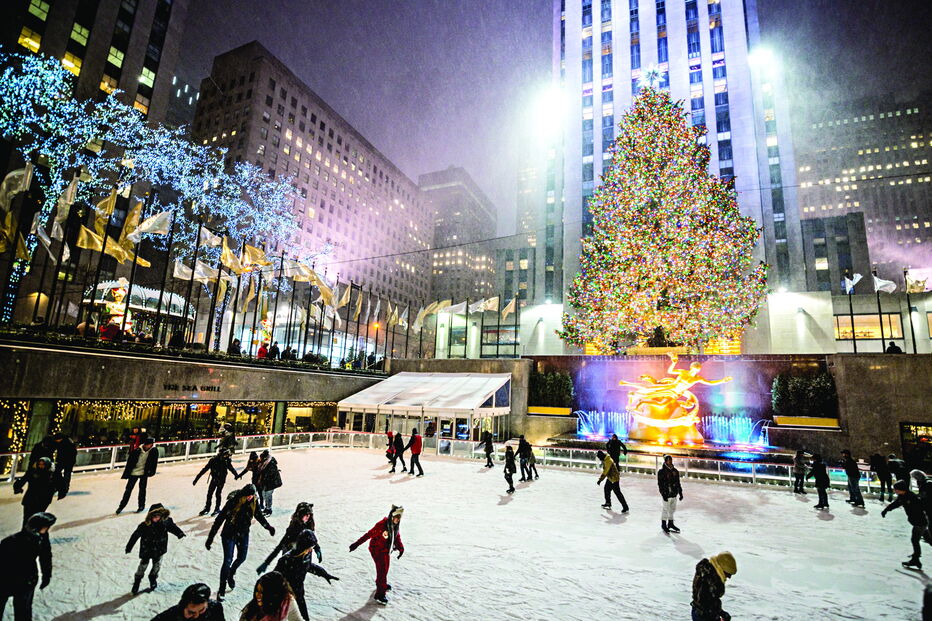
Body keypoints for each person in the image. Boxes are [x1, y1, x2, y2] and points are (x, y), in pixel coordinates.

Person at [206, 484, 275, 599]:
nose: (250, 498)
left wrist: (268, 527)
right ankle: (222, 588)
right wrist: (210, 537)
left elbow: (258, 515)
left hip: (243, 534)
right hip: (229, 534)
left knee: (242, 557)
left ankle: (231, 573)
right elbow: (220, 519)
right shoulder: (233, 501)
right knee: (227, 560)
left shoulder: (254, 501)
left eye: (252, 495)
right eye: (248, 495)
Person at [0, 512, 56, 621]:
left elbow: (45, 557)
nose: (47, 530)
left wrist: (47, 575)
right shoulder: (10, 542)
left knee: (23, 612)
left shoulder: (42, 538)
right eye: (45, 527)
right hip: (7, 580)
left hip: (26, 582)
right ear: (36, 528)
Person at [273, 530, 339, 621]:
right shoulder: (286, 560)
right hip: (285, 595)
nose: (311, 549)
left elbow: (307, 566)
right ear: (303, 546)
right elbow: (274, 578)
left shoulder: (307, 553)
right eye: (310, 547)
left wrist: (324, 573)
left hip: (299, 593)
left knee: (304, 618)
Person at [349, 505, 405, 605]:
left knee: (385, 569)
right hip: (377, 550)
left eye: (399, 517)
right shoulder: (382, 525)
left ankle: (381, 584)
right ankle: (379, 595)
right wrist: (356, 544)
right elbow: (368, 534)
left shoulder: (395, 526)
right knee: (382, 571)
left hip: (385, 550)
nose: (397, 519)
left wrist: (401, 548)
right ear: (391, 516)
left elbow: (397, 538)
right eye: (396, 517)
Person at [125, 503, 186, 594]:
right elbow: (135, 535)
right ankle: (137, 581)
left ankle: (152, 578)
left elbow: (173, 527)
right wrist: (129, 547)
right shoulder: (144, 525)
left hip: (159, 549)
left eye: (158, 516)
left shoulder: (166, 522)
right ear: (150, 516)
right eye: (154, 516)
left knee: (157, 566)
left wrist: (179, 533)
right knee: (143, 566)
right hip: (147, 549)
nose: (156, 518)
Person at [883, 480, 932, 569]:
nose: (895, 491)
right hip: (918, 522)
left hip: (920, 523)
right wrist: (886, 510)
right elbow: (896, 503)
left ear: (901, 489)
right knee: (928, 538)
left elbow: (921, 508)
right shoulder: (902, 496)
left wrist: (918, 521)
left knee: (914, 540)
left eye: (896, 489)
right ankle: (916, 557)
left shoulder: (912, 497)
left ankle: (915, 560)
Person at [258, 503, 318, 574]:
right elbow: (281, 545)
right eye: (306, 514)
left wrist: (317, 548)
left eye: (309, 514)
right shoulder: (294, 528)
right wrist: (267, 562)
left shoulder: (309, 524)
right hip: (291, 555)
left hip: (303, 556)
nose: (308, 517)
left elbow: (311, 539)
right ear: (300, 514)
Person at [117, 437, 159, 514]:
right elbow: (129, 463)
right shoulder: (137, 451)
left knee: (142, 490)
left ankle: (141, 506)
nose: (149, 446)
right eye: (148, 445)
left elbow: (154, 463)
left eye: (150, 445)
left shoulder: (154, 451)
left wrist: (151, 472)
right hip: (134, 472)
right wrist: (127, 473)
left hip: (144, 473)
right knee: (128, 490)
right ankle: (121, 506)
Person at [29, 433, 77, 499]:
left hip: (68, 461)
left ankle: (64, 488)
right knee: (56, 472)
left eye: (57, 440)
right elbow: (52, 449)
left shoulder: (69, 443)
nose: (56, 442)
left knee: (67, 474)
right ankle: (57, 486)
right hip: (61, 461)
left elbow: (73, 452)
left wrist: (71, 461)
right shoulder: (57, 442)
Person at [691, 552, 737, 621]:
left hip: (696, 611)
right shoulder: (713, 581)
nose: (729, 577)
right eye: (728, 574)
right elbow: (707, 604)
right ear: (721, 569)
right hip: (704, 616)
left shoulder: (705, 573)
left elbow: (708, 601)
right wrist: (720, 614)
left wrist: (720, 613)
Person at [13, 458, 57, 528]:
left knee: (37, 518)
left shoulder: (51, 475)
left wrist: (52, 492)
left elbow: (56, 485)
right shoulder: (32, 472)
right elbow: (23, 480)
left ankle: (35, 534)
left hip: (43, 500)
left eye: (43, 465)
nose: (41, 466)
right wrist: (17, 487)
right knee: (27, 518)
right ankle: (25, 534)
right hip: (30, 499)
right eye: (39, 464)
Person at [194, 449, 239, 516]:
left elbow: (231, 468)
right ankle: (207, 508)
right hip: (214, 479)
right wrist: (197, 478)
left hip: (221, 480)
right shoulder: (213, 460)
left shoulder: (226, 461)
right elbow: (205, 469)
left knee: (218, 493)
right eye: (226, 455)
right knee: (209, 493)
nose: (227, 456)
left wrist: (236, 475)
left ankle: (217, 509)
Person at [150, 583, 226, 621]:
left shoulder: (215, 608)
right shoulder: (169, 617)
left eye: (202, 610)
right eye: (191, 612)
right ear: (183, 606)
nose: (196, 616)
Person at [658, 454, 683, 532]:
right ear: (665, 461)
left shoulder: (675, 471)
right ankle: (663, 524)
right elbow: (660, 484)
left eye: (670, 460)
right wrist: (663, 493)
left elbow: (678, 482)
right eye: (668, 460)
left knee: (672, 509)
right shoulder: (662, 472)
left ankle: (670, 523)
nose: (669, 461)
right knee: (665, 509)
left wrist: (680, 492)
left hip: (674, 493)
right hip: (666, 493)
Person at [256, 449, 283, 515]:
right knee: (263, 494)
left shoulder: (271, 463)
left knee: (268, 495)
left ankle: (269, 509)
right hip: (265, 482)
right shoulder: (263, 463)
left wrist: (265, 476)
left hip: (271, 483)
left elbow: (271, 474)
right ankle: (266, 507)